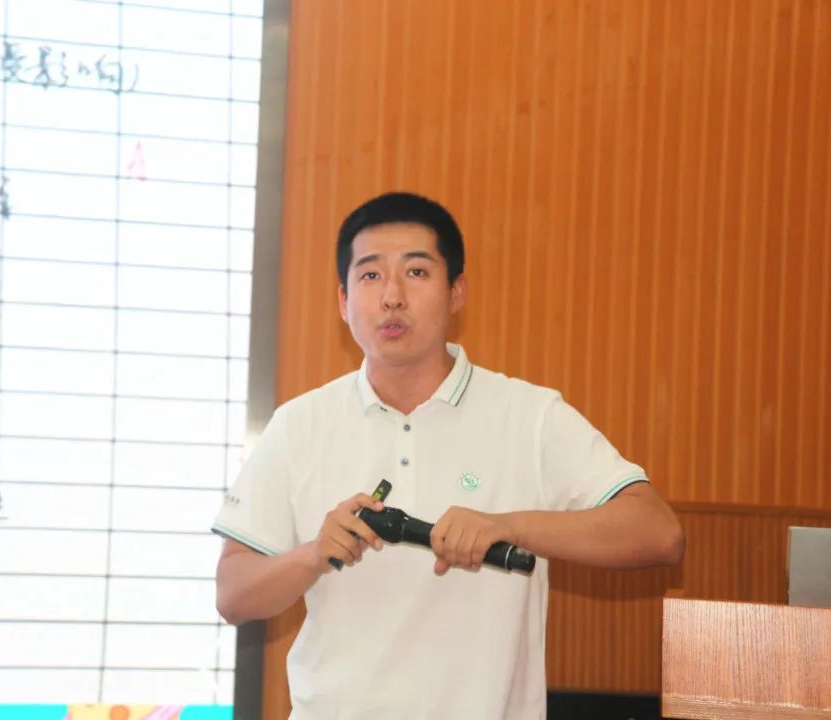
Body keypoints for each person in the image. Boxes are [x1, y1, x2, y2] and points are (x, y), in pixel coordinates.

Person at [212, 191, 684, 719]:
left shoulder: (530, 415)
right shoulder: (299, 424)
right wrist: (312, 554)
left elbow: (658, 533)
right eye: (370, 275)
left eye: (416, 272)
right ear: (343, 301)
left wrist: (508, 526)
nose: (392, 296)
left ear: (457, 292)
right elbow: (233, 594)